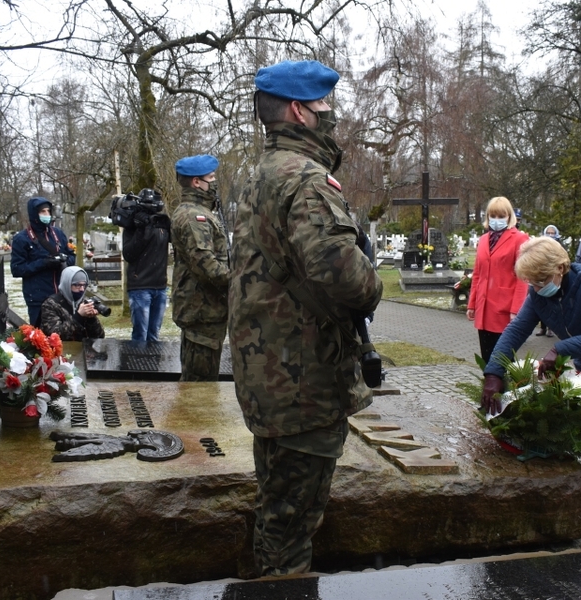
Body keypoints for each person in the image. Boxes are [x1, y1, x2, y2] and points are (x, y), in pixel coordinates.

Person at [228, 59, 383, 577]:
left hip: (270, 376)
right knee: (291, 530)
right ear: (299, 111)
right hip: (302, 383)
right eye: (324, 107)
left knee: (276, 512)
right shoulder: (306, 179)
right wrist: (371, 274)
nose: (331, 115)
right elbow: (348, 281)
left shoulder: (260, 174)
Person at [481, 236, 581, 525]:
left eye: (541, 279)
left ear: (561, 267)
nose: (535, 287)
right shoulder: (538, 295)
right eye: (531, 281)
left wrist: (559, 349)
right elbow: (516, 329)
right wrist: (493, 373)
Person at [171, 155, 230, 381]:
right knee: (199, 388)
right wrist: (241, 278)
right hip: (201, 311)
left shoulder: (201, 212)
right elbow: (207, 266)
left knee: (200, 382)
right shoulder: (194, 217)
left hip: (206, 309)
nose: (214, 182)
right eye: (211, 177)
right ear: (197, 182)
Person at [467, 197, 530, 363]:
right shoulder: (483, 240)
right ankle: (488, 386)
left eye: (501, 216)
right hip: (484, 307)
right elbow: (478, 274)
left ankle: (502, 388)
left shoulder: (519, 239)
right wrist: (472, 304)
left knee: (502, 361)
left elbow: (522, 277)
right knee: (487, 358)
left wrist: (516, 309)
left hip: (504, 308)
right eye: (492, 216)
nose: (496, 220)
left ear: (509, 217)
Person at [10, 197, 76, 326]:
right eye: (42, 212)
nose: (47, 215)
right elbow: (17, 269)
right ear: (34, 214)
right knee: (43, 340)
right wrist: (44, 263)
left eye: (48, 211)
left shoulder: (58, 234)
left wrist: (64, 260)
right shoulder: (22, 239)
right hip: (38, 298)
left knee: (65, 336)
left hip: (62, 295)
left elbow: (72, 256)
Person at [122, 189, 170, 342]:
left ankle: (152, 364)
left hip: (160, 286)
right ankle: (137, 363)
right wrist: (142, 230)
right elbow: (129, 254)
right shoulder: (133, 225)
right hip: (140, 286)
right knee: (140, 335)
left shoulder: (161, 223)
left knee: (154, 334)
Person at [38, 266, 105, 341]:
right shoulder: (50, 304)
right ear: (67, 284)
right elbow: (55, 336)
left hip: (82, 350)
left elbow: (99, 337)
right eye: (77, 285)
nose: (82, 289)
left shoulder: (84, 302)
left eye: (84, 285)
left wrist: (91, 319)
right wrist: (78, 316)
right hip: (59, 351)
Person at [536, 225, 563, 337]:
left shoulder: (559, 246)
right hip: (543, 278)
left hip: (554, 279)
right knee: (543, 304)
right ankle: (542, 328)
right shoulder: (540, 246)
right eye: (549, 233)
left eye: (553, 233)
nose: (551, 235)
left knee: (553, 305)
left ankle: (551, 329)